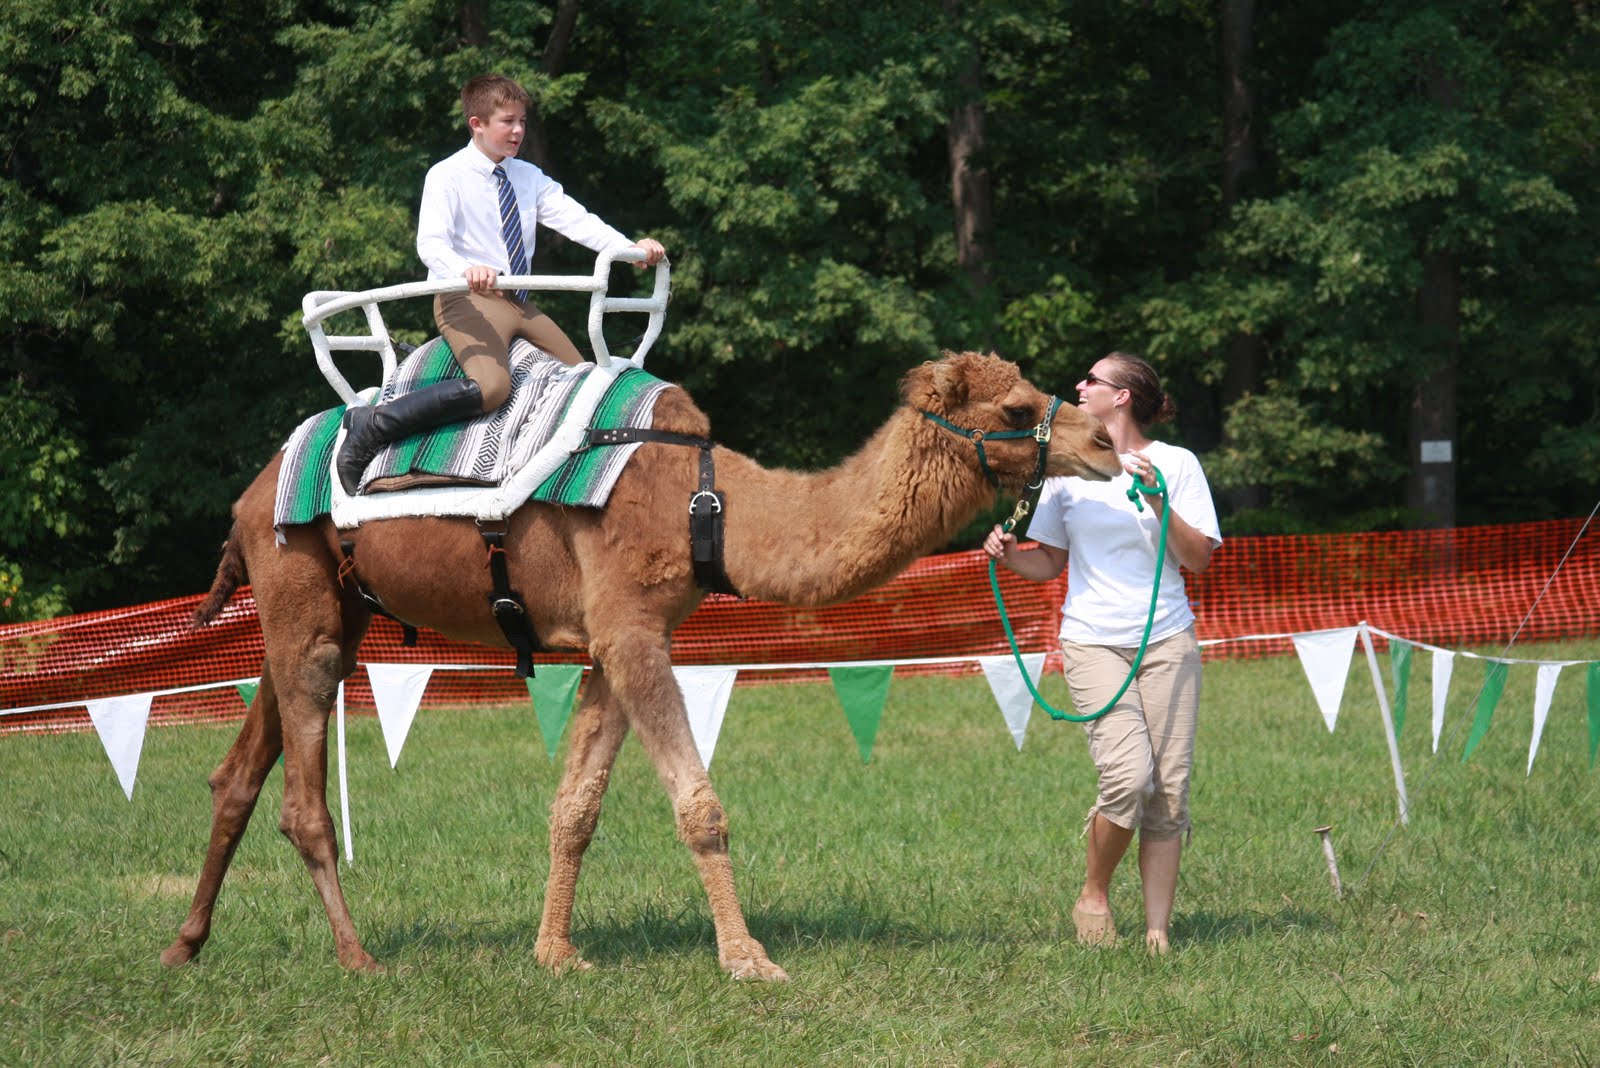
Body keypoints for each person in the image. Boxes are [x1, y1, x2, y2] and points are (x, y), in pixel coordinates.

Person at [983, 352, 1221, 955]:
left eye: (1092, 380)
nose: (1079, 386)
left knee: (1169, 791)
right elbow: (1050, 563)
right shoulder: (1068, 471)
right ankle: (1093, 891)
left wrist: (1160, 500)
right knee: (1127, 776)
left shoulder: (1176, 464)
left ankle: (1157, 934)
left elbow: (1198, 559)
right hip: (1091, 640)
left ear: (1123, 397)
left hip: (1168, 639)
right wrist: (1012, 554)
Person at [337, 73, 668, 495]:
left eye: (522, 122)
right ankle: (372, 426)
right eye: (507, 122)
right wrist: (464, 269)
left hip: (518, 302)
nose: (517, 131)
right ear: (476, 124)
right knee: (493, 387)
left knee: (585, 382)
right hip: (467, 298)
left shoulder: (527, 176)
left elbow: (575, 219)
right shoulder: (447, 175)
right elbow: (430, 244)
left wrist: (630, 249)